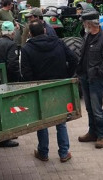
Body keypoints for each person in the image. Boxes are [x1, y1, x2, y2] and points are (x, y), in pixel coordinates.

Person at [21, 21, 77, 163]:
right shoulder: (58, 42)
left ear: (31, 34)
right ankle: (64, 153)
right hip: (59, 85)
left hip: (40, 88)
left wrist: (33, 85)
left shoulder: (27, 48)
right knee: (61, 120)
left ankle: (43, 152)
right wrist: (67, 76)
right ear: (45, 30)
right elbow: (73, 59)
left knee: (42, 120)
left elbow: (25, 73)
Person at [76, 11, 103, 149]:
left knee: (97, 109)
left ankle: (102, 135)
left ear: (90, 23)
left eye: (84, 23)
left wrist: (97, 73)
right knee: (89, 108)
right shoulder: (87, 36)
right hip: (85, 78)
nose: (83, 25)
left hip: (96, 80)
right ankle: (92, 133)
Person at [0, 21, 21, 148]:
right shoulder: (11, 45)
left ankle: (6, 134)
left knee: (2, 107)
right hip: (6, 80)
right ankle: (4, 139)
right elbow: (12, 64)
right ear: (12, 32)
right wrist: (15, 80)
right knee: (8, 108)